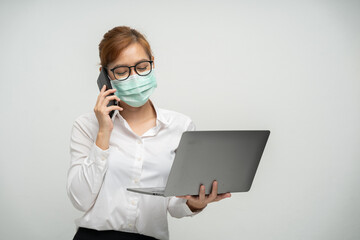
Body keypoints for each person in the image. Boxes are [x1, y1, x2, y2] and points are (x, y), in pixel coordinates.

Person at [67, 26, 231, 240]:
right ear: (105, 75)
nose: (134, 77)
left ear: (152, 63)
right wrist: (103, 134)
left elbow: (174, 205)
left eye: (142, 67)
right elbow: (80, 200)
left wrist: (195, 203)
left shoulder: (180, 127)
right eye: (122, 71)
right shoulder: (86, 126)